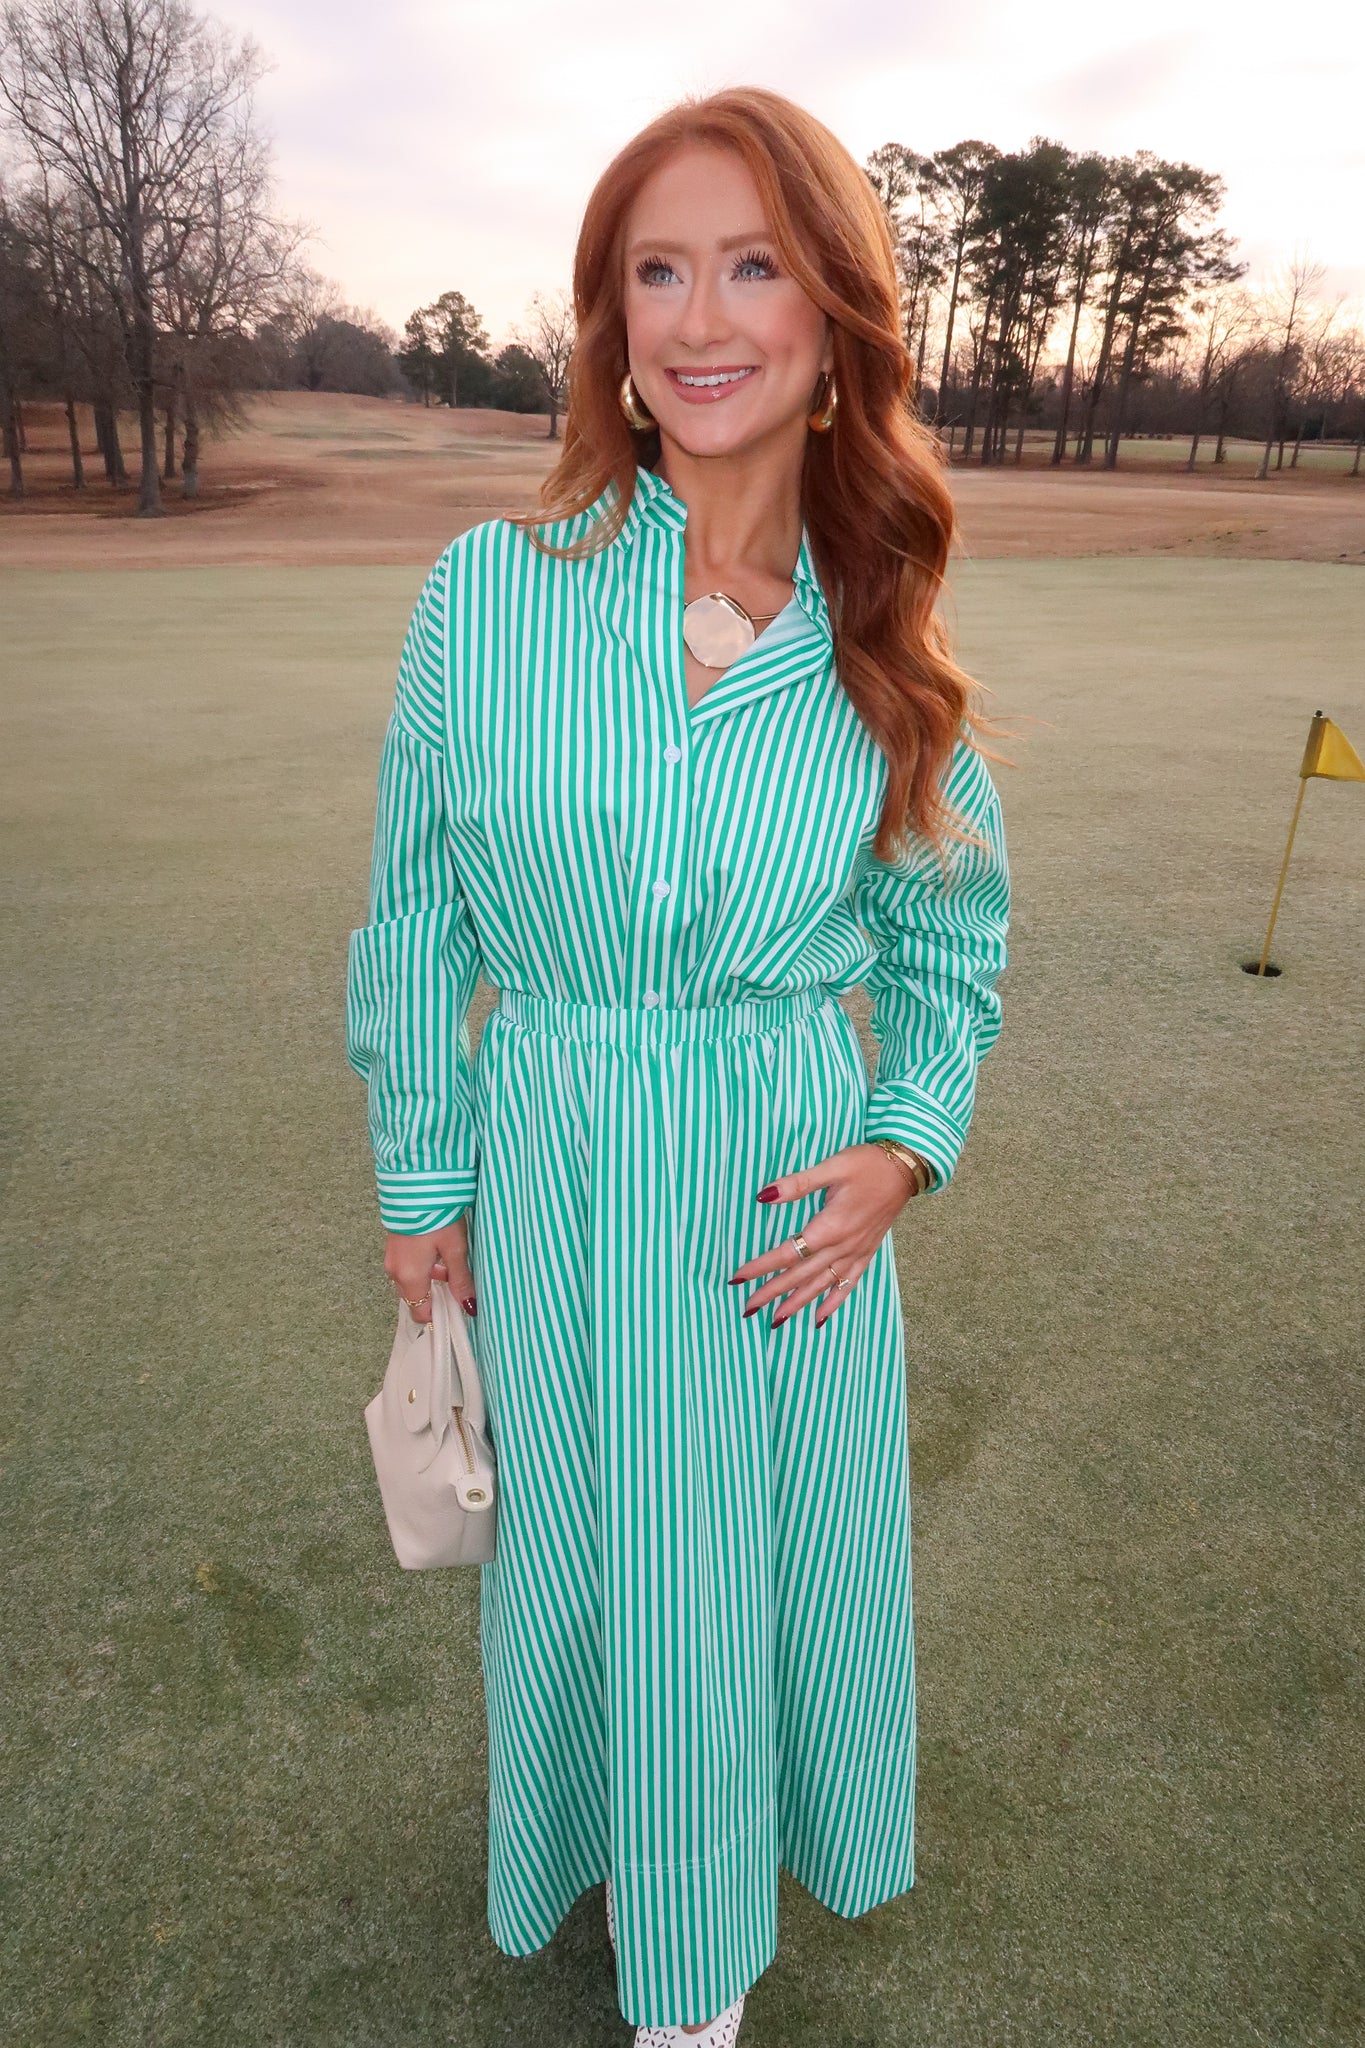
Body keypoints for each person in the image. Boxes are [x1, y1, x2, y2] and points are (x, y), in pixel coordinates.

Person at [346, 85, 1011, 2048]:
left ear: (832, 324)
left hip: (770, 1205)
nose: (700, 319)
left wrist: (903, 1140)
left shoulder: (875, 641)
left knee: (731, 1574)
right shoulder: (487, 594)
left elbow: (950, 939)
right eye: (656, 271)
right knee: (575, 1556)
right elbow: (415, 914)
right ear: (609, 323)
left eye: (752, 267)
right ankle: (620, 1851)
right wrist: (421, 1177)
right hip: (555, 1166)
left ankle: (693, 1981)